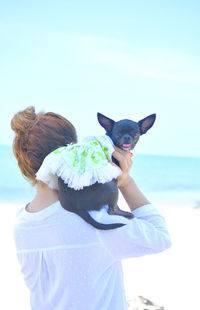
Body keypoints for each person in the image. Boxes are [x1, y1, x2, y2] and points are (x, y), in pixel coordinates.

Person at [11, 106, 171, 310]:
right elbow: (161, 237)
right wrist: (125, 182)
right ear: (73, 152)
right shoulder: (97, 221)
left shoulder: (21, 224)